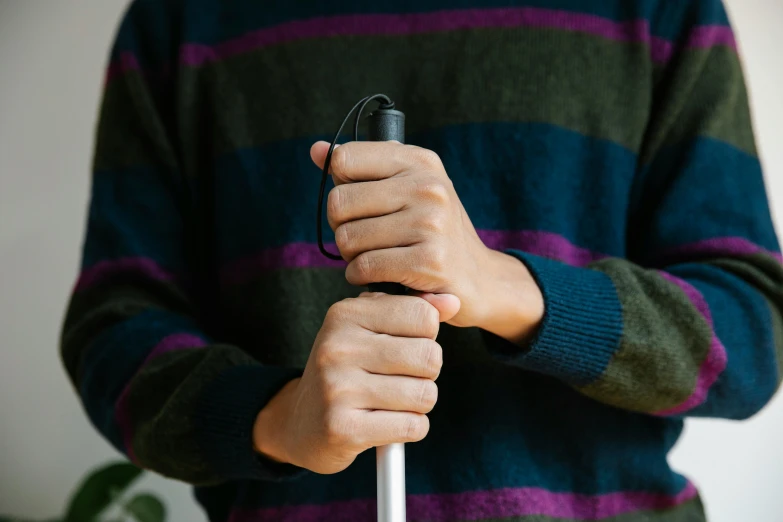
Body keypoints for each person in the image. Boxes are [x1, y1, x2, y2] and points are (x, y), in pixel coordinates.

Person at [61, 0, 783, 520]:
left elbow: (751, 335)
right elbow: (114, 331)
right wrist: (280, 419)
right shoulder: (178, 21)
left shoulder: (661, 9)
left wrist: (503, 288)